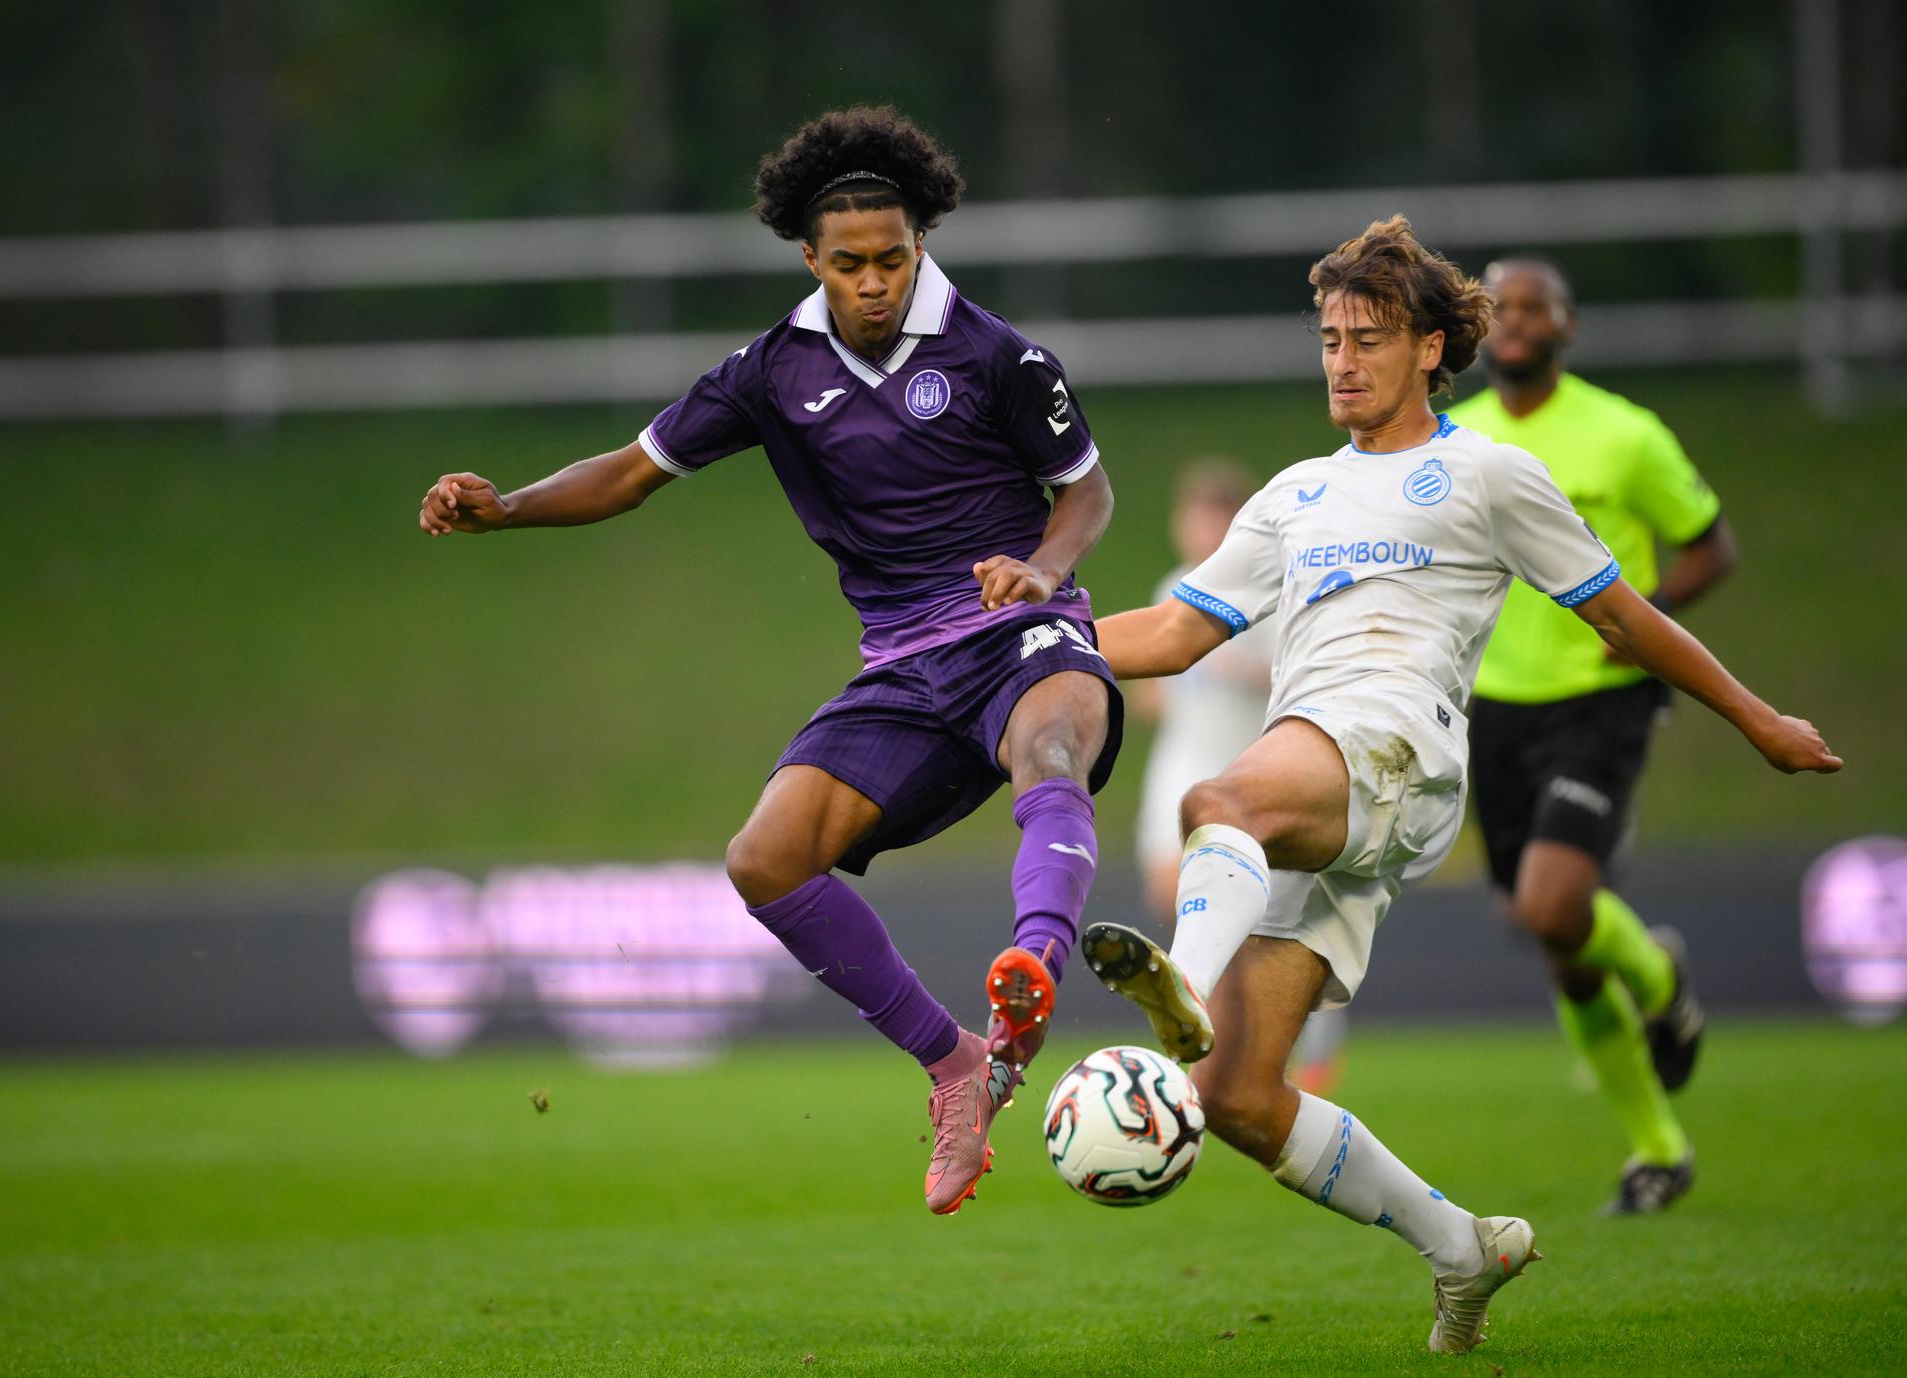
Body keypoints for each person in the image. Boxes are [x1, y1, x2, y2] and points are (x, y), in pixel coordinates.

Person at [1079, 216, 1840, 1353]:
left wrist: (1760, 718)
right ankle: (1461, 1249)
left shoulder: (1486, 472)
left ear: (1431, 346)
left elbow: (1625, 616)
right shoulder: (1293, 495)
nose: (1342, 358)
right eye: (1330, 337)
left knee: (1214, 803)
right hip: (1328, 781)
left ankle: (1170, 1003)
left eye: (1369, 337)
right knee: (1238, 1097)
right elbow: (1179, 628)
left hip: (1397, 750)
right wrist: (1035, 637)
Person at [416, 106, 1121, 1216]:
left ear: (921, 246)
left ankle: (1033, 962)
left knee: (1053, 742)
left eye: (894, 258)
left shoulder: (999, 355)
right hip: (900, 666)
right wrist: (505, 508)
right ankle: (956, 1067)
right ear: (811, 258)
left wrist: (1041, 568)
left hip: (1019, 629)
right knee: (764, 859)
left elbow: (1088, 491)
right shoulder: (769, 372)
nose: (876, 281)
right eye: (851, 264)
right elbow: (629, 472)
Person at [1446, 256, 1738, 1215]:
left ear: (1568, 328)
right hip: (1496, 707)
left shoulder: (1627, 435)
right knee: (1564, 948)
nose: (1519, 321)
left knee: (1550, 903)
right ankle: (1659, 1148)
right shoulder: (1456, 439)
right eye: (1505, 307)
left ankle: (1659, 977)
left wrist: (1640, 620)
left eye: (1538, 307)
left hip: (1601, 695)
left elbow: (1710, 545)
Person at [1131, 460, 1347, 1094]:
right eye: (1192, 517)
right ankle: (1209, 1020)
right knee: (1169, 890)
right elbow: (1154, 690)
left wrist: (1237, 674)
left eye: (1212, 517)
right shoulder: (1172, 588)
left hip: (1247, 765)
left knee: (1267, 919)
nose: (1200, 530)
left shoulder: (1268, 594)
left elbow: (1293, 681)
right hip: (1182, 760)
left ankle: (1305, 1046)